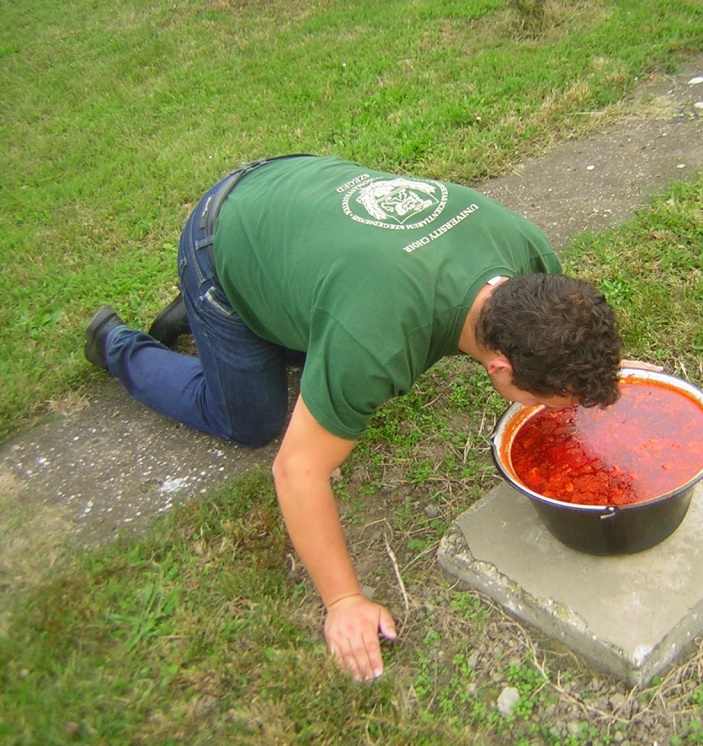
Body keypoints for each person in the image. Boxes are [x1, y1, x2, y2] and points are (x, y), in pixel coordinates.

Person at [84, 155, 624, 681]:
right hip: (221, 231)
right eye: (552, 403)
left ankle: (234, 309)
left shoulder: (530, 261)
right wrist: (344, 601)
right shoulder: (375, 341)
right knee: (249, 420)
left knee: (317, 337)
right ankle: (130, 338)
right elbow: (297, 471)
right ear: (501, 368)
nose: (560, 413)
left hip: (296, 193)